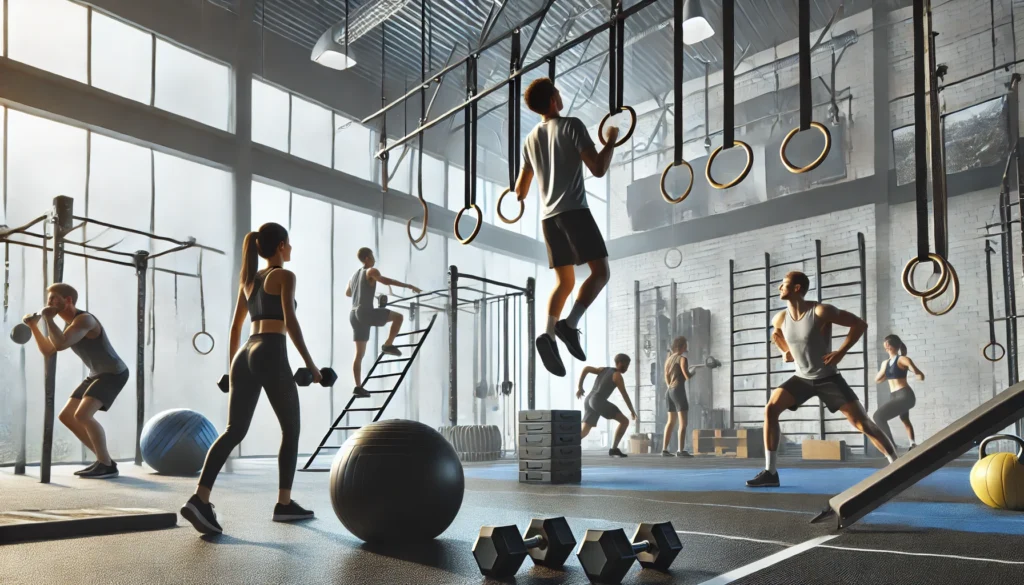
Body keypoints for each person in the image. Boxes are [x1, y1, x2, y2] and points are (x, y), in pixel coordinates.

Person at [182, 222, 318, 535]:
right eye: (290, 243)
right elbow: (291, 322)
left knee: (233, 430)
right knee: (291, 430)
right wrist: (311, 366)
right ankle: (284, 505)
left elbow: (234, 329)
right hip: (270, 349)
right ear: (282, 245)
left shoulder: (249, 280)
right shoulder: (284, 275)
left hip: (245, 353)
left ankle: (200, 498)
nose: (291, 249)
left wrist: (232, 370)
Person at [747, 271, 898, 488]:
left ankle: (895, 464)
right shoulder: (779, 318)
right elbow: (779, 339)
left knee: (861, 422)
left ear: (797, 288)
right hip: (801, 378)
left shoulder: (820, 311)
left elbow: (859, 325)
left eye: (785, 284)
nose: (780, 287)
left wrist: (841, 351)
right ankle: (770, 472)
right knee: (771, 408)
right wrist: (784, 351)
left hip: (828, 377)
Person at [514, 77, 619, 377]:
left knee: (566, 282)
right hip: (573, 212)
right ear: (552, 101)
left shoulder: (530, 139)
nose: (561, 96)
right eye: (558, 93)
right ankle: (569, 324)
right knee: (601, 273)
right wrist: (610, 141)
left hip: (549, 221)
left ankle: (548, 333)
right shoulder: (572, 125)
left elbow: (521, 191)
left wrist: (514, 196)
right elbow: (598, 169)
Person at [23, 283, 129, 480]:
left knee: (83, 415)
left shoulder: (85, 320)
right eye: (49, 299)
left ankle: (106, 465)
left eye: (54, 298)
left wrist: (46, 318)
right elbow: (49, 350)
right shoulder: (68, 326)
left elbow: (61, 344)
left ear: (68, 300)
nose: (50, 302)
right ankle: (104, 460)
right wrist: (33, 327)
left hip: (114, 373)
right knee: (67, 416)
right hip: (96, 373)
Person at [346, 247, 421, 398]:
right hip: (365, 312)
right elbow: (387, 281)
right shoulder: (371, 270)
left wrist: (366, 293)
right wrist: (409, 286)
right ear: (367, 258)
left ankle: (358, 387)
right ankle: (388, 344)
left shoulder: (354, 276)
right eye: (372, 256)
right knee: (398, 317)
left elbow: (348, 293)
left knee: (359, 354)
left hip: (353, 315)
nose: (374, 259)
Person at [576, 353, 636, 457]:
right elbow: (625, 395)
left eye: (628, 366)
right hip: (598, 401)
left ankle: (567, 443)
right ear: (618, 363)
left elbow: (586, 369)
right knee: (624, 421)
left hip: (589, 400)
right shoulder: (617, 376)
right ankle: (613, 449)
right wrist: (632, 410)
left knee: (584, 431)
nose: (626, 368)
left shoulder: (603, 369)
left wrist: (580, 387)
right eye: (625, 365)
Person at [873, 334, 924, 450]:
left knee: (878, 417)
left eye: (886, 344)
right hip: (894, 396)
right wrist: (887, 373)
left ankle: (891, 446)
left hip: (905, 396)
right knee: (904, 418)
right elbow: (877, 380)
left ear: (888, 346)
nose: (885, 347)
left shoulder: (902, 359)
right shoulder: (885, 363)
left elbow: (916, 371)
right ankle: (912, 444)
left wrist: (918, 375)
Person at [661, 336, 694, 457]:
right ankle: (680, 450)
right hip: (678, 391)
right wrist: (693, 371)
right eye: (686, 344)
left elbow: (666, 376)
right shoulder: (682, 359)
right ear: (683, 346)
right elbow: (687, 376)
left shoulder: (669, 359)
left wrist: (671, 385)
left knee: (670, 422)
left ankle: (664, 449)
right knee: (683, 423)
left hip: (669, 391)